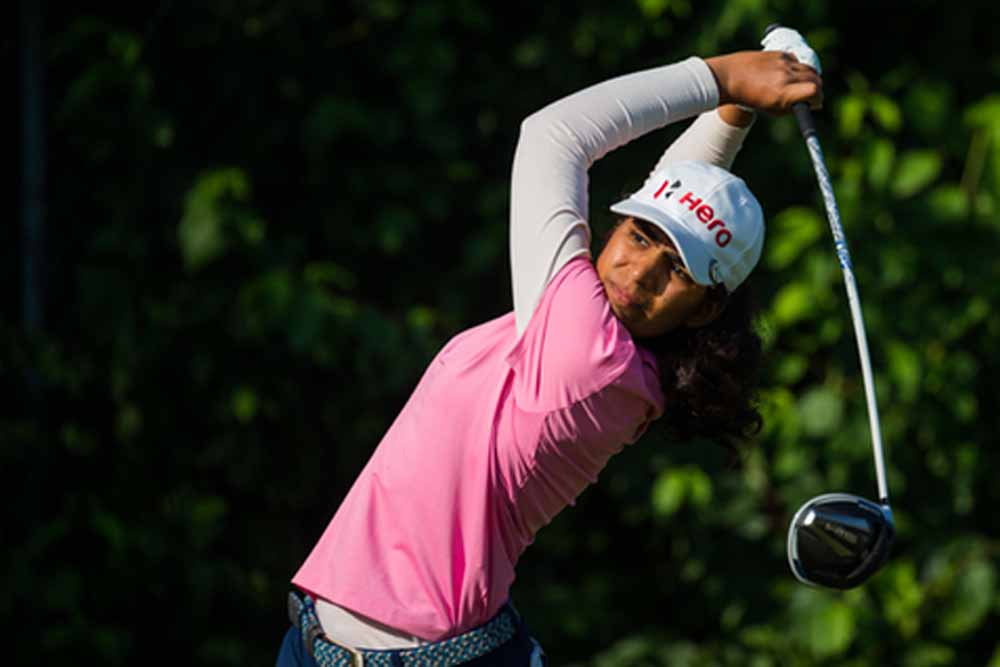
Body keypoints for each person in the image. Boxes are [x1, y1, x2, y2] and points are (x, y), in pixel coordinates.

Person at [276, 44, 822, 666]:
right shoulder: (634, 361)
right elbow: (678, 195)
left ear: (703, 310)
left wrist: (720, 74)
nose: (639, 271)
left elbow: (551, 136)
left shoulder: (587, 355)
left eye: (676, 269)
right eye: (639, 235)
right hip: (344, 640)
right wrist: (734, 111)